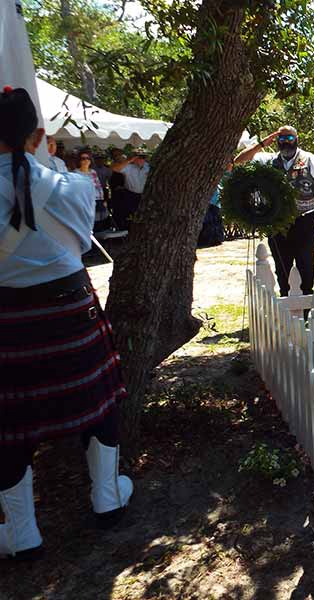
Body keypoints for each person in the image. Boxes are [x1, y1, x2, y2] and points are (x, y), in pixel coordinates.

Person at [0, 87, 133, 559]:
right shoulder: (71, 187)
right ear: (38, 136)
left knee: (9, 422)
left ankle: (23, 532)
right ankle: (107, 497)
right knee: (98, 402)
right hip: (69, 306)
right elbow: (80, 241)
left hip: (8, 318)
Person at [235, 126, 314, 297]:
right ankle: (286, 300)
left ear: (296, 139)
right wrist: (261, 144)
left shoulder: (311, 161)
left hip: (304, 220)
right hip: (276, 222)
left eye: (289, 138)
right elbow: (239, 161)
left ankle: (306, 305)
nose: (285, 142)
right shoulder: (268, 160)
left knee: (305, 263)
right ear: (276, 141)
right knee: (282, 265)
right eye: (282, 139)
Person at [110, 147, 150, 230]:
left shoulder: (148, 167)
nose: (141, 159)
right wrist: (129, 161)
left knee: (142, 216)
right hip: (130, 195)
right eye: (138, 157)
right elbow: (114, 168)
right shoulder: (128, 167)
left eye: (143, 157)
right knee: (128, 216)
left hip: (143, 196)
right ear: (134, 158)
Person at [74, 148, 110, 233]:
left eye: (88, 158)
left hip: (97, 200)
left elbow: (98, 186)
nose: (86, 160)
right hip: (85, 202)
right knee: (88, 224)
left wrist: (103, 199)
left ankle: (98, 244)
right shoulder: (75, 173)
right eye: (83, 158)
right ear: (79, 161)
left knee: (99, 223)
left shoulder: (93, 171)